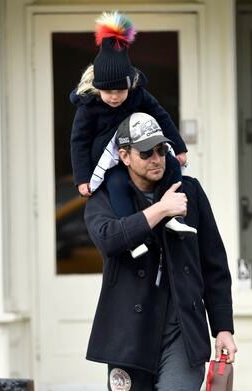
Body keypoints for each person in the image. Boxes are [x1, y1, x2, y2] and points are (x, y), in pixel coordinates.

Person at [84, 112, 237, 391]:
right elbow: (107, 238)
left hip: (182, 331)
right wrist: (159, 211)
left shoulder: (190, 190)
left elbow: (215, 262)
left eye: (162, 149)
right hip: (127, 338)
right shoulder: (107, 194)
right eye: (146, 151)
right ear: (125, 155)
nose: (157, 158)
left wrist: (223, 327)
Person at [70, 11, 196, 258]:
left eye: (120, 90)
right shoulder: (90, 105)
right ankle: (133, 235)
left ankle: (172, 217)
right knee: (117, 184)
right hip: (108, 159)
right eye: (108, 92)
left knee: (170, 166)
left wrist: (179, 148)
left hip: (136, 147)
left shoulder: (139, 95)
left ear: (130, 83)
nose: (114, 97)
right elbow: (79, 141)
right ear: (97, 88)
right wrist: (82, 178)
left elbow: (162, 116)